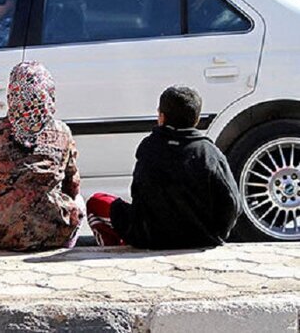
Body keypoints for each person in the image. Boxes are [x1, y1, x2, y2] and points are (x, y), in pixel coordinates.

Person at [87, 86, 242, 249]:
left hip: (151, 238)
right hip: (201, 238)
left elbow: (138, 193)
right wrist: (215, 234)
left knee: (97, 201)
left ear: (161, 117)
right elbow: (232, 202)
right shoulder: (210, 153)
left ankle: (115, 248)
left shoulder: (149, 147)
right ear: (196, 119)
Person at [0, 61, 84, 251]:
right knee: (80, 203)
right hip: (55, 232)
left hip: (2, 231)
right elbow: (73, 186)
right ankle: (65, 250)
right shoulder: (62, 131)